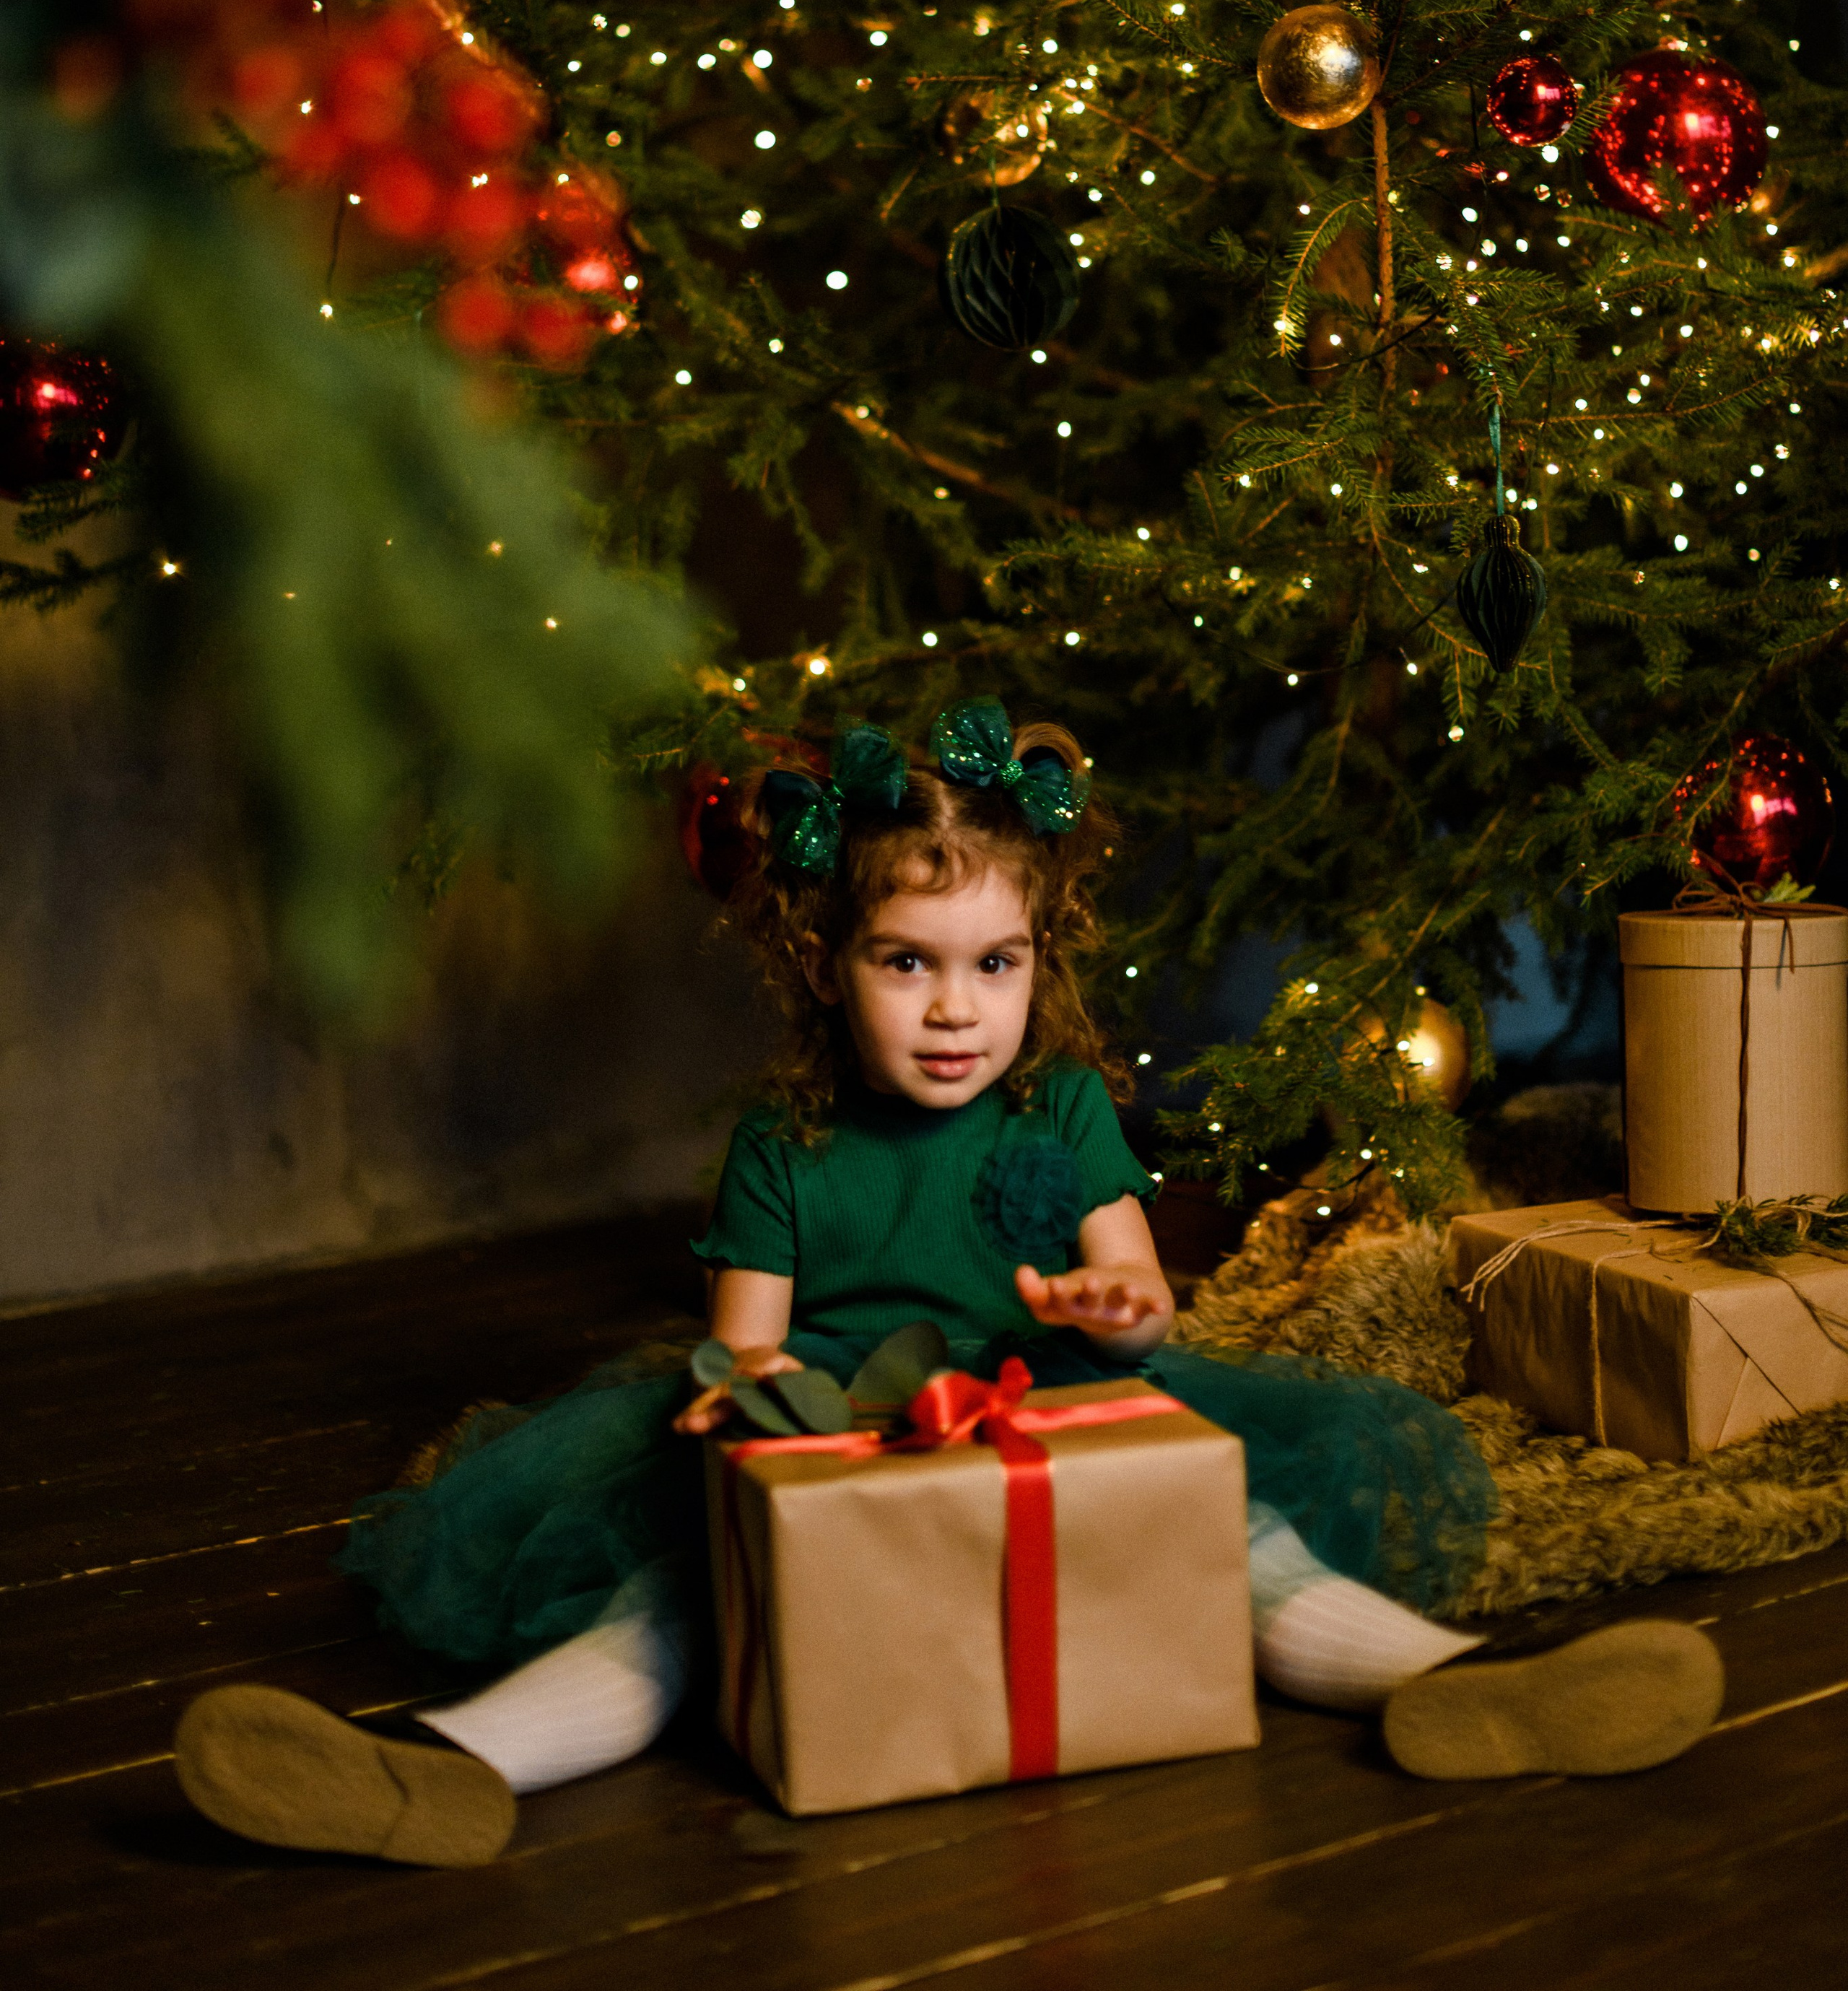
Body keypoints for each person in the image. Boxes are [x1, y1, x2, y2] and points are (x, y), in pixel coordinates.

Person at [174, 703, 1722, 1865]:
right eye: (905, 962)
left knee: (1226, 1545)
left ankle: (1459, 1687)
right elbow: (739, 1353)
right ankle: (450, 1769)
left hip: (1047, 1408)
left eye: (995, 964)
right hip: (838, 1437)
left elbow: (1142, 1299)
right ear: (821, 964)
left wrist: (1117, 1312)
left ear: (1041, 961)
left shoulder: (1062, 1109)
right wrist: (754, 1408)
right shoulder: (784, 1147)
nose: (953, 1010)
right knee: (686, 1602)